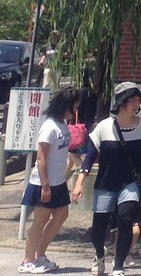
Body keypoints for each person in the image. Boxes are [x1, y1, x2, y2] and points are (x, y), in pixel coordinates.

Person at [70, 82, 141, 276]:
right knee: (99, 225)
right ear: (121, 103)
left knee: (126, 218)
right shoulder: (104, 127)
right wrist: (79, 183)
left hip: (130, 182)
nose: (137, 104)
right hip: (106, 182)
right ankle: (100, 255)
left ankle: (118, 266)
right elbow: (91, 156)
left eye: (138, 100)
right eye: (132, 100)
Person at [18, 86, 80, 274]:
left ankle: (41, 255)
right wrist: (45, 185)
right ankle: (28, 260)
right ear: (65, 105)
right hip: (43, 183)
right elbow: (41, 157)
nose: (76, 110)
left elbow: (64, 151)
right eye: (74, 106)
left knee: (62, 214)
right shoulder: (49, 126)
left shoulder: (62, 124)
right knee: (40, 220)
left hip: (58, 181)